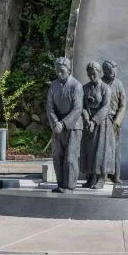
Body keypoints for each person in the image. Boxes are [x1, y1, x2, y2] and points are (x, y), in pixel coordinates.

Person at [45, 57, 84, 193]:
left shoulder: (76, 86)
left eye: (62, 71)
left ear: (69, 70)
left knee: (71, 158)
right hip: (57, 126)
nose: (59, 73)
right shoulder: (53, 85)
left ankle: (69, 186)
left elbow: (78, 108)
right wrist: (55, 122)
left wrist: (63, 123)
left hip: (73, 126)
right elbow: (49, 107)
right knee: (57, 157)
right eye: (57, 70)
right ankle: (60, 184)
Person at [79, 61, 115, 189]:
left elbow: (105, 107)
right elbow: (82, 106)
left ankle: (101, 178)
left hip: (102, 124)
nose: (91, 76)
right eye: (89, 74)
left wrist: (94, 121)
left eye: (94, 73)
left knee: (101, 151)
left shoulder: (106, 88)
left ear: (99, 73)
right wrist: (86, 117)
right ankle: (90, 177)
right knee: (89, 151)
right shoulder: (84, 88)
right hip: (88, 123)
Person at [103, 60, 126, 183]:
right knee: (102, 149)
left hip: (114, 121)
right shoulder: (100, 83)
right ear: (105, 72)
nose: (114, 75)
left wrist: (117, 122)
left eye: (115, 72)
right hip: (102, 121)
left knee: (116, 150)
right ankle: (102, 175)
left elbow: (123, 105)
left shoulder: (118, 84)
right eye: (112, 73)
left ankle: (116, 176)